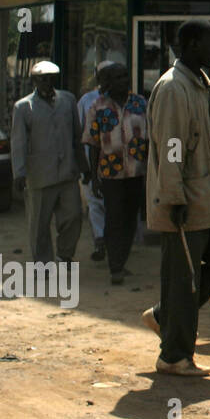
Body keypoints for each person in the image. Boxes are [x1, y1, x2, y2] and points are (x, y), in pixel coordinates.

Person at [142, 21, 210, 377]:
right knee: (183, 280)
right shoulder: (173, 89)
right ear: (190, 44)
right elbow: (171, 149)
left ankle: (163, 315)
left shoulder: (200, 85)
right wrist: (173, 197)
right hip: (184, 205)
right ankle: (174, 356)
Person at [11, 61, 89, 265]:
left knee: (73, 216)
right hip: (39, 174)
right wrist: (19, 173)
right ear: (35, 80)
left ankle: (64, 254)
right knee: (39, 224)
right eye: (42, 78)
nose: (47, 82)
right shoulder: (23, 107)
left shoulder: (68, 100)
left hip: (67, 172)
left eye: (51, 78)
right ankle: (43, 263)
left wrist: (84, 166)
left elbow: (77, 136)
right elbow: (18, 143)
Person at [83, 62, 148, 285]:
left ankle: (121, 259)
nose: (124, 81)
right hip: (111, 174)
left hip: (137, 173)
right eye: (118, 77)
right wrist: (93, 177)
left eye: (125, 76)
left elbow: (150, 140)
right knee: (114, 219)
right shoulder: (98, 108)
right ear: (108, 82)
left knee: (131, 219)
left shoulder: (140, 104)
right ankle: (115, 266)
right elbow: (93, 145)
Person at [77, 69, 108, 262]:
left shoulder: (128, 102)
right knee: (95, 204)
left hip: (119, 169)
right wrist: (84, 167)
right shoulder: (87, 101)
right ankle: (100, 241)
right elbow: (80, 133)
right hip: (92, 162)